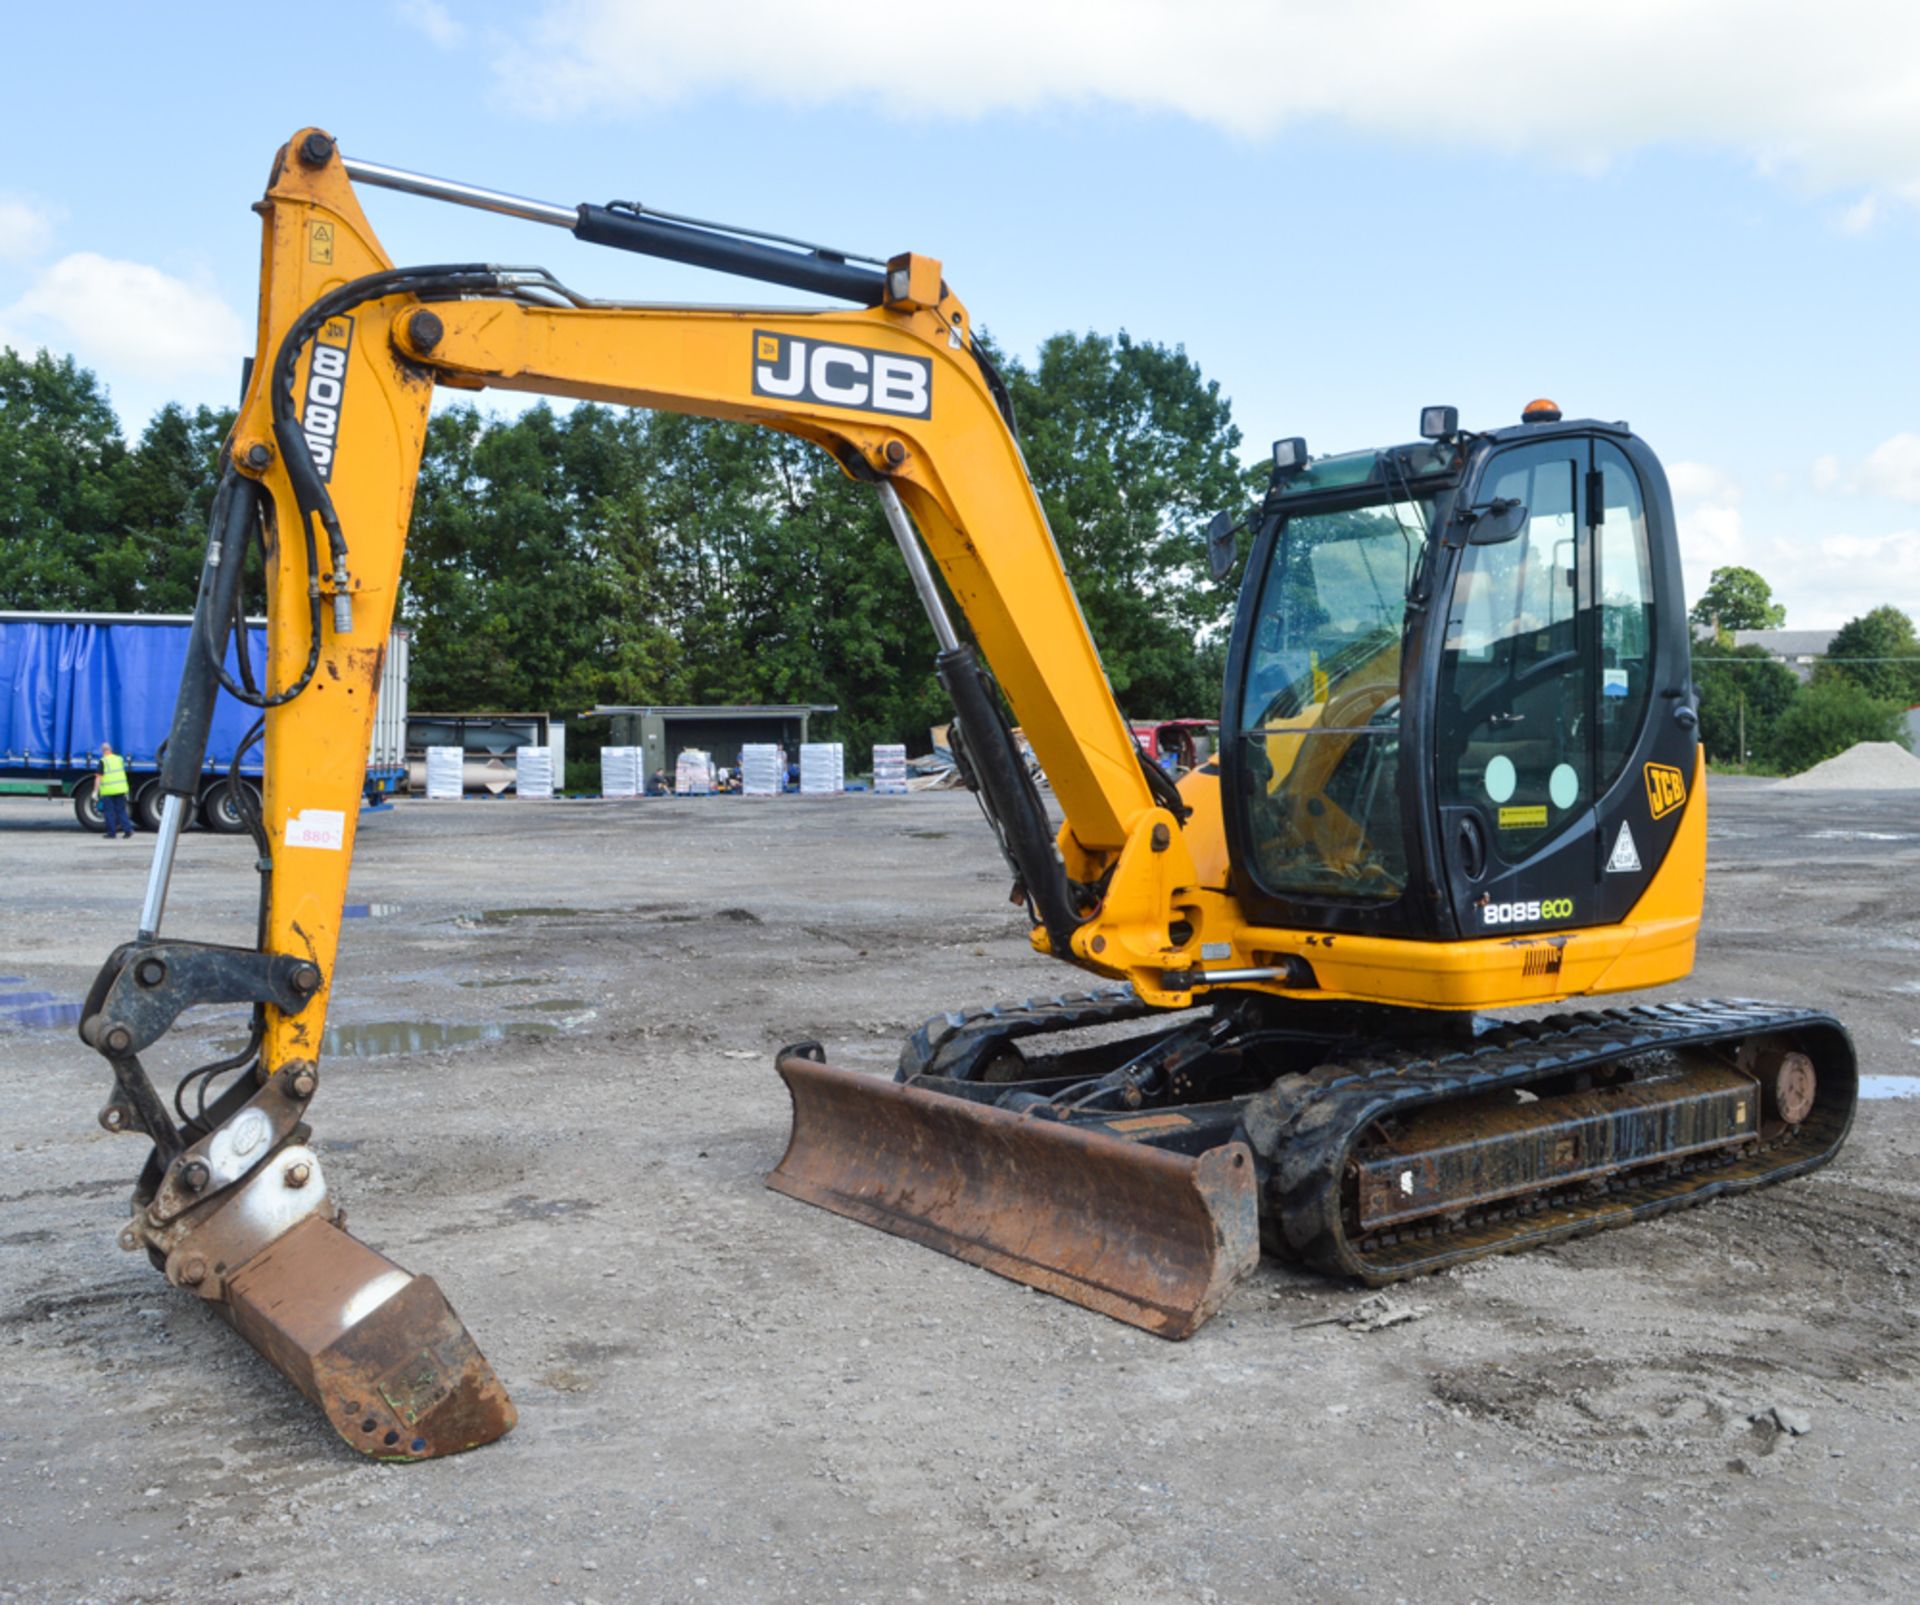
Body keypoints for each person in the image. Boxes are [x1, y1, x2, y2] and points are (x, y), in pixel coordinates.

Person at [97, 743, 133, 839]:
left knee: (109, 812)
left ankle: (111, 833)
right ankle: (128, 830)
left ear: (103, 751)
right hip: (120, 789)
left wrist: (95, 791)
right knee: (121, 810)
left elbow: (98, 777)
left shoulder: (103, 761)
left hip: (108, 790)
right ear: (111, 749)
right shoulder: (119, 759)